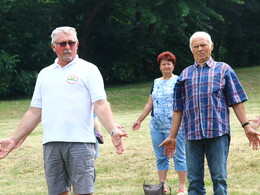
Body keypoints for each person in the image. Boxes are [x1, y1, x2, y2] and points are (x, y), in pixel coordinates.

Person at [0, 26, 128, 195]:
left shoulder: (89, 69)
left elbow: (100, 104)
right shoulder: (44, 74)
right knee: (57, 192)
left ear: (77, 44)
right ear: (53, 47)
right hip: (51, 143)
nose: (67, 47)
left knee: (84, 192)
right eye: (62, 43)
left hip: (80, 142)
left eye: (71, 43)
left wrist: (112, 130)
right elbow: (34, 111)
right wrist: (14, 139)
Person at [159, 31, 260, 195]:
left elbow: (236, 100)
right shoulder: (185, 75)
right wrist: (172, 136)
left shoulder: (223, 70)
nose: (200, 49)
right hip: (192, 135)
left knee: (219, 179)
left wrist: (247, 127)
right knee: (194, 181)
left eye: (203, 45)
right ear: (191, 49)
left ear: (211, 46)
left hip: (218, 132)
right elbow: (178, 109)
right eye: (196, 46)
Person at [132, 51, 187, 194]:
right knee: (161, 157)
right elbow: (149, 104)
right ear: (160, 67)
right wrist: (139, 120)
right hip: (156, 126)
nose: (166, 66)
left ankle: (182, 187)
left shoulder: (179, 81)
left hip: (175, 127)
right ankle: (162, 186)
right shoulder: (156, 82)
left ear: (173, 66)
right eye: (163, 64)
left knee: (179, 156)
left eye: (169, 63)